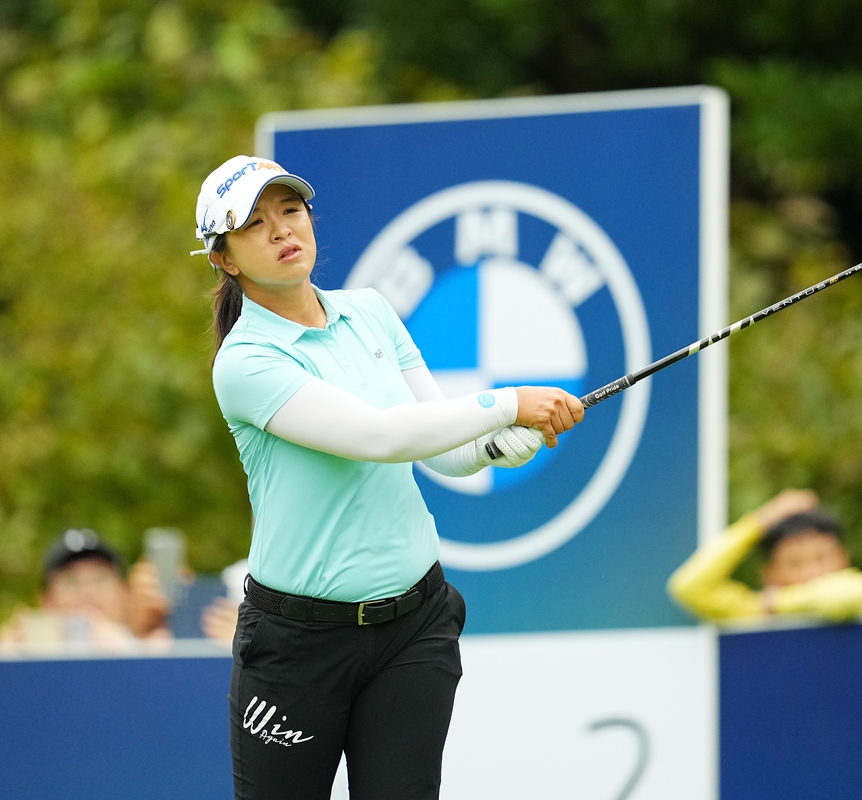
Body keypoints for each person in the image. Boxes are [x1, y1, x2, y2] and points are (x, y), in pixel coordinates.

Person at [194, 155, 584, 800]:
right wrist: (508, 403)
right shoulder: (246, 361)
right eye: (255, 224)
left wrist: (501, 445)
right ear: (226, 259)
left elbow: (441, 447)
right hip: (297, 644)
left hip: (413, 626)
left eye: (290, 211)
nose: (281, 230)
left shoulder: (370, 312)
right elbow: (378, 437)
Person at [667, 489, 862, 622]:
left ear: (844, 558)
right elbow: (688, 587)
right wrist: (759, 521)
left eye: (821, 558)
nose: (812, 572)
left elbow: (841, 600)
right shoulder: (754, 613)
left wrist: (775, 603)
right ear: (769, 573)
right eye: (795, 564)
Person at [0, 528, 171, 651]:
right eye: (71, 582)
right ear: (46, 601)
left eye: (101, 579)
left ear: (125, 593)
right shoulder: (19, 655)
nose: (88, 592)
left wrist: (129, 647)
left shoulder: (160, 651)